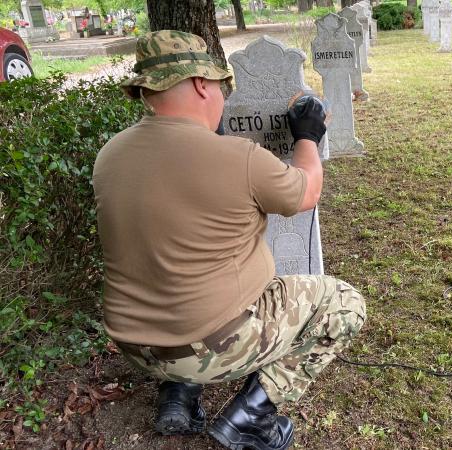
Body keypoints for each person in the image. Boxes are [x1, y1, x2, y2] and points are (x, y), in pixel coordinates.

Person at [92, 30, 367, 450]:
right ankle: (251, 417)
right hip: (207, 344)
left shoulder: (110, 154)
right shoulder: (236, 157)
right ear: (203, 84)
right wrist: (307, 136)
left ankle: (177, 392)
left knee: (182, 286)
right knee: (345, 302)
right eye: (222, 85)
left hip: (134, 344)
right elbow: (306, 192)